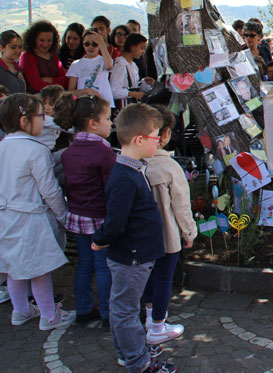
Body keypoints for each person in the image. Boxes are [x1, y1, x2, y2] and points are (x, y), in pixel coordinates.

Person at [90, 104, 174, 373]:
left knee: (123, 308)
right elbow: (115, 221)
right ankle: (139, 362)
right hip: (132, 257)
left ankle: (129, 354)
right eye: (155, 136)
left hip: (138, 254)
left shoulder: (133, 167)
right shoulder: (124, 176)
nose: (158, 140)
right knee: (126, 311)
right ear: (139, 140)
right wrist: (100, 239)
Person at [0, 93, 75, 330]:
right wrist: (64, 216)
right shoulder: (36, 150)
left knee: (14, 266)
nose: (45, 121)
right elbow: (50, 189)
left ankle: (20, 310)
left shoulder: (2, 147)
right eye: (41, 116)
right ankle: (49, 315)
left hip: (5, 216)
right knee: (39, 269)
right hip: (31, 218)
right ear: (24, 121)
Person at [54, 93, 116, 326]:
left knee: (84, 264)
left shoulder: (70, 152)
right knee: (103, 267)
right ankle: (109, 314)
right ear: (93, 123)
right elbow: (111, 188)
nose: (111, 123)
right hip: (100, 217)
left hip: (78, 216)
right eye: (107, 119)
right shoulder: (102, 152)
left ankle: (83, 308)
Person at [143, 105, 196, 347]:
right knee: (164, 278)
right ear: (164, 134)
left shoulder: (131, 163)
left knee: (146, 277)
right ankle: (157, 325)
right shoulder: (169, 166)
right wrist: (189, 233)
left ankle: (147, 316)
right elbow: (181, 206)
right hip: (166, 234)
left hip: (140, 236)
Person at [19, 20, 69, 93]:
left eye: (49, 41)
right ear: (34, 39)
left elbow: (66, 80)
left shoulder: (53, 56)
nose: (45, 44)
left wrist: (49, 80)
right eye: (42, 40)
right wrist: (57, 82)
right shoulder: (28, 57)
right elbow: (36, 85)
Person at [67, 28, 114, 104]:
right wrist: (86, 91)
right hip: (85, 105)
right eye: (87, 44)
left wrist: (102, 43)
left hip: (104, 104)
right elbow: (70, 91)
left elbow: (109, 66)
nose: (90, 47)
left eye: (95, 44)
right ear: (83, 44)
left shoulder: (104, 60)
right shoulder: (76, 64)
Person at [111, 33, 153, 109]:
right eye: (141, 48)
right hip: (123, 107)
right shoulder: (120, 65)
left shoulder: (133, 65)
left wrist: (145, 82)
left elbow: (134, 85)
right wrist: (132, 94)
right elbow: (114, 91)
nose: (143, 52)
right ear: (132, 47)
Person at [37, 85, 66, 150]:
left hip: (49, 149)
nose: (46, 107)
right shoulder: (42, 118)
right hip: (39, 151)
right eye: (44, 103)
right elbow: (69, 127)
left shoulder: (59, 116)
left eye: (51, 104)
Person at [0, 30, 26, 94]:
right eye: (13, 47)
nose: (17, 50)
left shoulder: (18, 67)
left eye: (20, 47)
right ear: (2, 48)